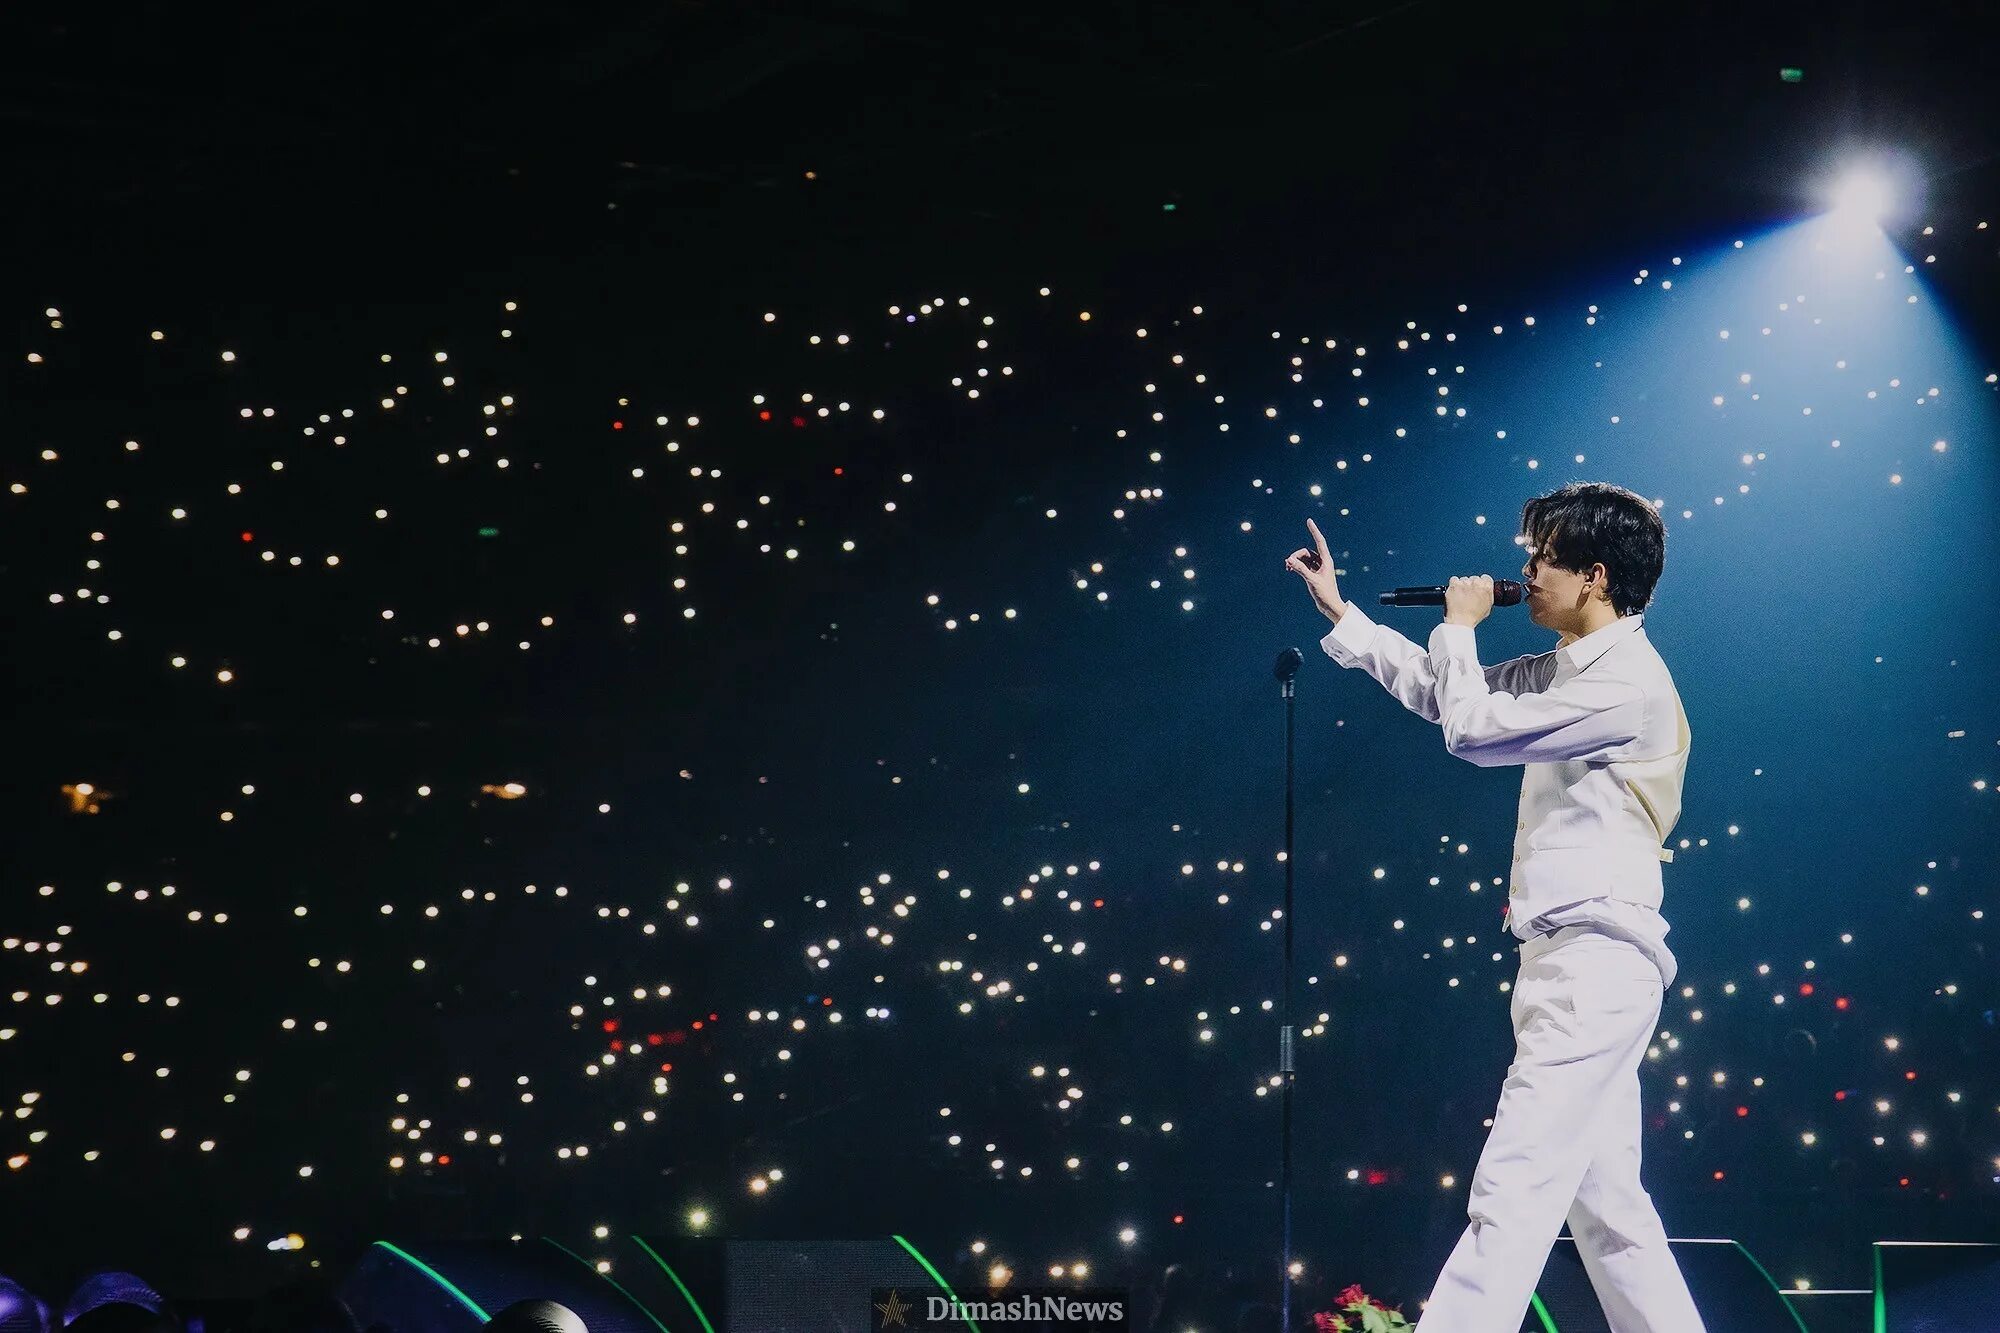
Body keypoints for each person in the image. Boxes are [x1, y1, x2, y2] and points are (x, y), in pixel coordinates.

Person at [1283, 481, 1704, 1332]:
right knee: (1609, 1211)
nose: (1523, 569)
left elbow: (1474, 735)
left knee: (1515, 1185)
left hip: (1596, 960)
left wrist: (1463, 623)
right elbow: (1451, 693)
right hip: (1564, 960)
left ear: (1592, 575)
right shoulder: (1568, 668)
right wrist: (1346, 618)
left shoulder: (1628, 684)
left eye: (1540, 556)